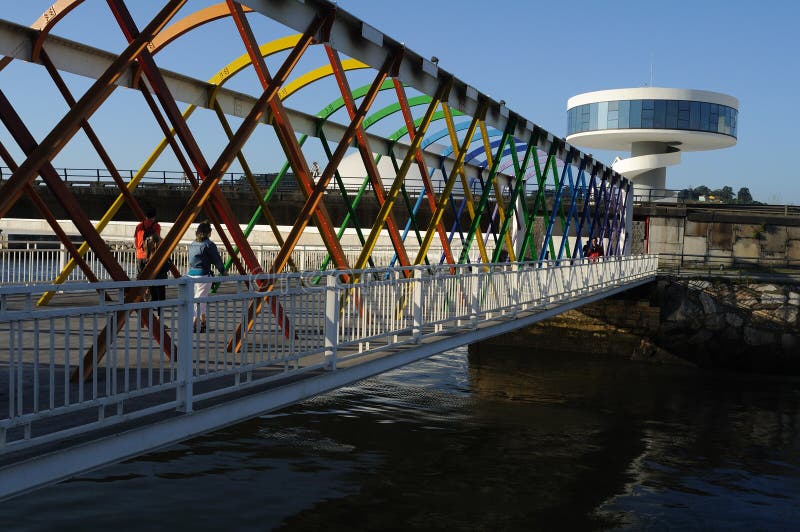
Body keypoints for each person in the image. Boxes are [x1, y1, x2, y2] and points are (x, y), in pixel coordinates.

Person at [187, 221, 226, 332]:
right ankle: (194, 323)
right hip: (203, 275)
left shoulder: (193, 244)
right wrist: (223, 271)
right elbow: (216, 260)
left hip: (191, 275)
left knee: (200, 299)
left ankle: (203, 322)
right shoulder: (209, 245)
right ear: (209, 232)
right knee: (200, 300)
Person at [144, 234, 172, 309]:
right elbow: (166, 268)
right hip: (161, 278)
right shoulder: (161, 255)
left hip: (151, 278)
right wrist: (169, 260)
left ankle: (151, 315)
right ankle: (160, 315)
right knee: (161, 298)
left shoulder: (148, 253)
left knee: (154, 297)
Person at [134, 208, 160, 276]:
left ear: (146, 215)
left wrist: (138, 249)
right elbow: (157, 240)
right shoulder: (156, 226)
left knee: (140, 275)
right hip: (150, 255)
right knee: (150, 276)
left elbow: (135, 240)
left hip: (139, 254)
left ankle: (139, 286)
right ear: (154, 216)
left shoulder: (139, 225)